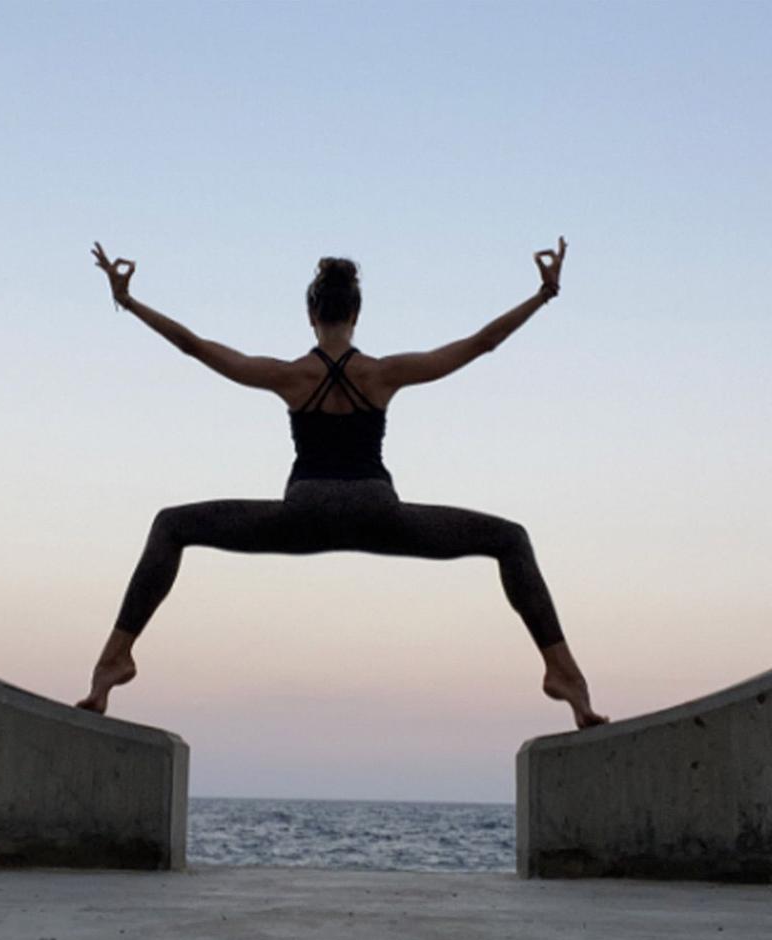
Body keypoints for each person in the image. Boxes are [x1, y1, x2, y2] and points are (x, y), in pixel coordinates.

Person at [77, 238, 608, 730]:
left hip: (301, 514)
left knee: (172, 526)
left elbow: (195, 347)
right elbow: (480, 345)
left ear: (312, 316)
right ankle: (564, 675)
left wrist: (129, 300)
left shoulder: (288, 376)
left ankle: (113, 661)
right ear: (355, 314)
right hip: (379, 512)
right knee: (508, 539)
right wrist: (543, 294)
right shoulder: (384, 373)